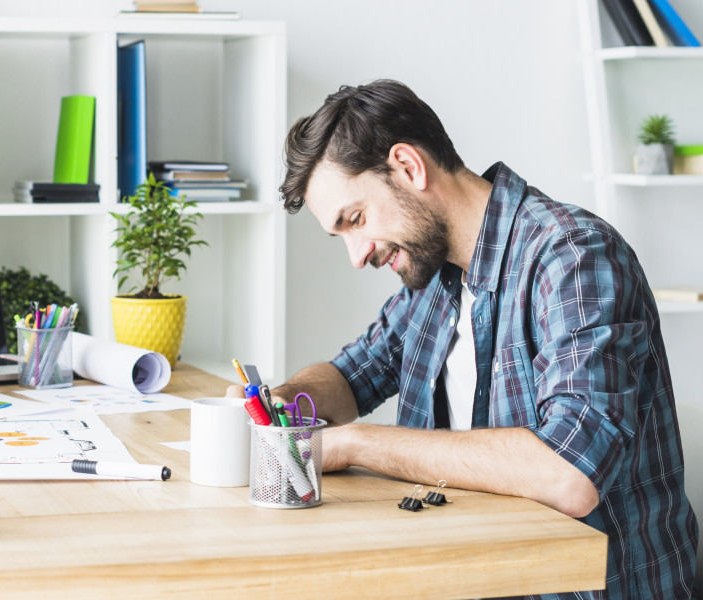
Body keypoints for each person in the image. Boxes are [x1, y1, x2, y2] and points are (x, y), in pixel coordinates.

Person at [241, 80, 697, 599]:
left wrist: (350, 445)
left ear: (409, 167)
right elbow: (351, 375)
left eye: (356, 219)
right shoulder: (433, 278)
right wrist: (279, 403)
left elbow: (570, 473)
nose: (357, 254)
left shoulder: (573, 255)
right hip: (467, 576)